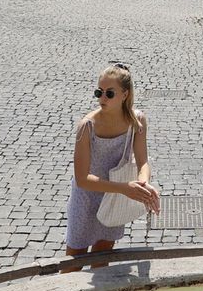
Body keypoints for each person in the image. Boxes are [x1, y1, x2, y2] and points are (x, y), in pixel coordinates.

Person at [66, 65, 160, 262]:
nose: (102, 99)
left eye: (109, 93)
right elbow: (82, 179)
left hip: (115, 198)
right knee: (73, 263)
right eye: (98, 92)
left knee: (101, 259)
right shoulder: (87, 127)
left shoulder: (137, 120)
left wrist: (143, 185)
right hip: (86, 199)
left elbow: (143, 161)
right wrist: (125, 188)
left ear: (125, 94)